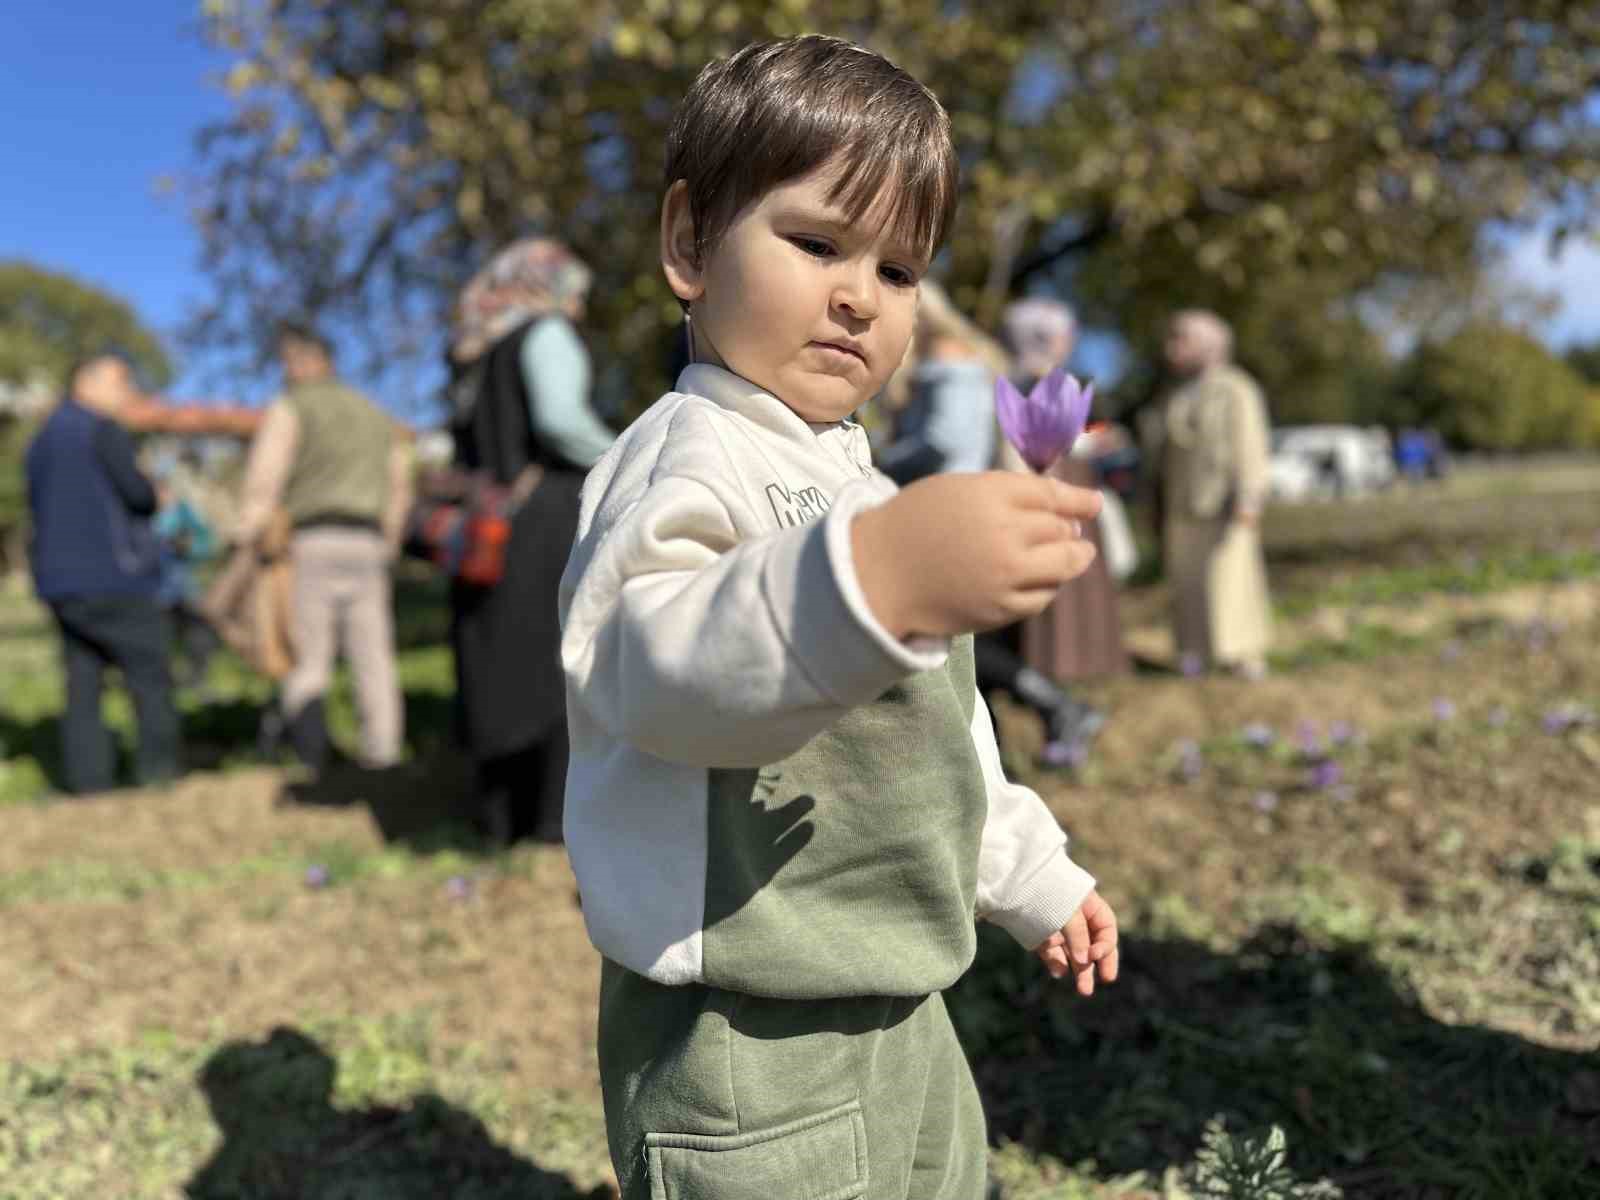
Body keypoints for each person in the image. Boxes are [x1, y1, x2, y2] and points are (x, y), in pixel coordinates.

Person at [559, 36, 1119, 1199]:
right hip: (742, 1035)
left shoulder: (865, 488)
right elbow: (650, 674)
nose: (860, 295)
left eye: (901, 270)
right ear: (687, 245)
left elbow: (942, 740)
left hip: (902, 996)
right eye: (816, 243)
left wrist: (1033, 876)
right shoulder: (683, 459)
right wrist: (872, 586)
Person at [878, 282, 1105, 764]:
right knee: (955, 644)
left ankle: (1049, 709)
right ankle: (1009, 744)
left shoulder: (947, 361)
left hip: (945, 514)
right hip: (947, 510)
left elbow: (943, 440)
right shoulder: (956, 364)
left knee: (948, 640)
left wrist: (874, 461)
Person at [444, 237, 616, 845]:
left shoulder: (475, 348)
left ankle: (495, 816)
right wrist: (629, 456)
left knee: (492, 655)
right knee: (553, 656)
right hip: (544, 516)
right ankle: (549, 818)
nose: (578, 309)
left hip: (485, 523)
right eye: (577, 294)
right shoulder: (545, 336)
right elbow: (560, 420)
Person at [236, 323, 411, 769]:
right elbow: (398, 487)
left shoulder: (291, 407)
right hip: (368, 543)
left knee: (308, 655)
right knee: (373, 657)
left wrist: (249, 534)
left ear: (307, 361)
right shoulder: (375, 415)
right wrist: (389, 543)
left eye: (288, 363)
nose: (284, 372)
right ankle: (383, 753)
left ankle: (313, 757)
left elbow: (264, 478)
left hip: (311, 542)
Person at [24, 353, 181, 793]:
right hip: (116, 577)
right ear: (85, 382)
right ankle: (158, 774)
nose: (126, 393)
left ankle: (89, 785)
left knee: (83, 681)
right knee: (150, 674)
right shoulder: (101, 430)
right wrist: (156, 492)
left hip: (59, 582)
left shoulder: (41, 440)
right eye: (120, 382)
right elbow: (136, 495)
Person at [1000, 298, 1129, 685]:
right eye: (1062, 333)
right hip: (1055, 483)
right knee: (1065, 571)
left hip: (1051, 479)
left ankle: (1059, 660)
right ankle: (1070, 661)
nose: (1069, 340)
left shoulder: (1023, 376)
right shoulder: (1039, 379)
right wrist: (1101, 439)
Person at [1143, 309, 1272, 678]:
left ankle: (1242, 655)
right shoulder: (1174, 395)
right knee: (1187, 583)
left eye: (1181, 337)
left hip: (1222, 504)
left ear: (1210, 344)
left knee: (1230, 580)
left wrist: (1249, 498)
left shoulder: (1236, 389)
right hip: (1180, 505)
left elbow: (1250, 446)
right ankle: (1194, 652)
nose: (1171, 346)